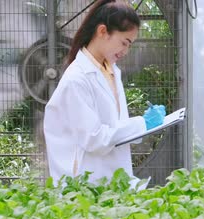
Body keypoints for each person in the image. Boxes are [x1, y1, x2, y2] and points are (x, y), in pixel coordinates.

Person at [43, 0, 166, 185]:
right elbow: (95, 139)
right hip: (85, 185)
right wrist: (142, 124)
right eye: (124, 43)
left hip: (109, 179)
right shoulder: (77, 79)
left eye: (130, 45)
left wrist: (143, 126)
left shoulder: (110, 71)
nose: (126, 51)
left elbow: (114, 128)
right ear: (102, 31)